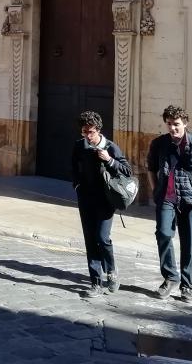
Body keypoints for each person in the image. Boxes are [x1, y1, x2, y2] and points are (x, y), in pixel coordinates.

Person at [147, 105, 192, 303]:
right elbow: (151, 168)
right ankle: (170, 277)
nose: (172, 128)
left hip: (190, 200)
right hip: (166, 198)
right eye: (169, 124)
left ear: (185, 123)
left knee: (189, 243)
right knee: (163, 234)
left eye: (176, 124)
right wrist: (155, 190)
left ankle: (187, 285)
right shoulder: (159, 143)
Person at [71, 111, 131, 297]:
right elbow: (73, 167)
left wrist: (109, 160)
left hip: (105, 200)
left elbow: (127, 171)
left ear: (98, 130)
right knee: (90, 239)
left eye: (91, 132)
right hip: (86, 199)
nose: (87, 136)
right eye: (84, 132)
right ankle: (95, 282)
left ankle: (111, 271)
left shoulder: (110, 147)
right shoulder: (79, 146)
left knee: (102, 237)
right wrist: (77, 185)